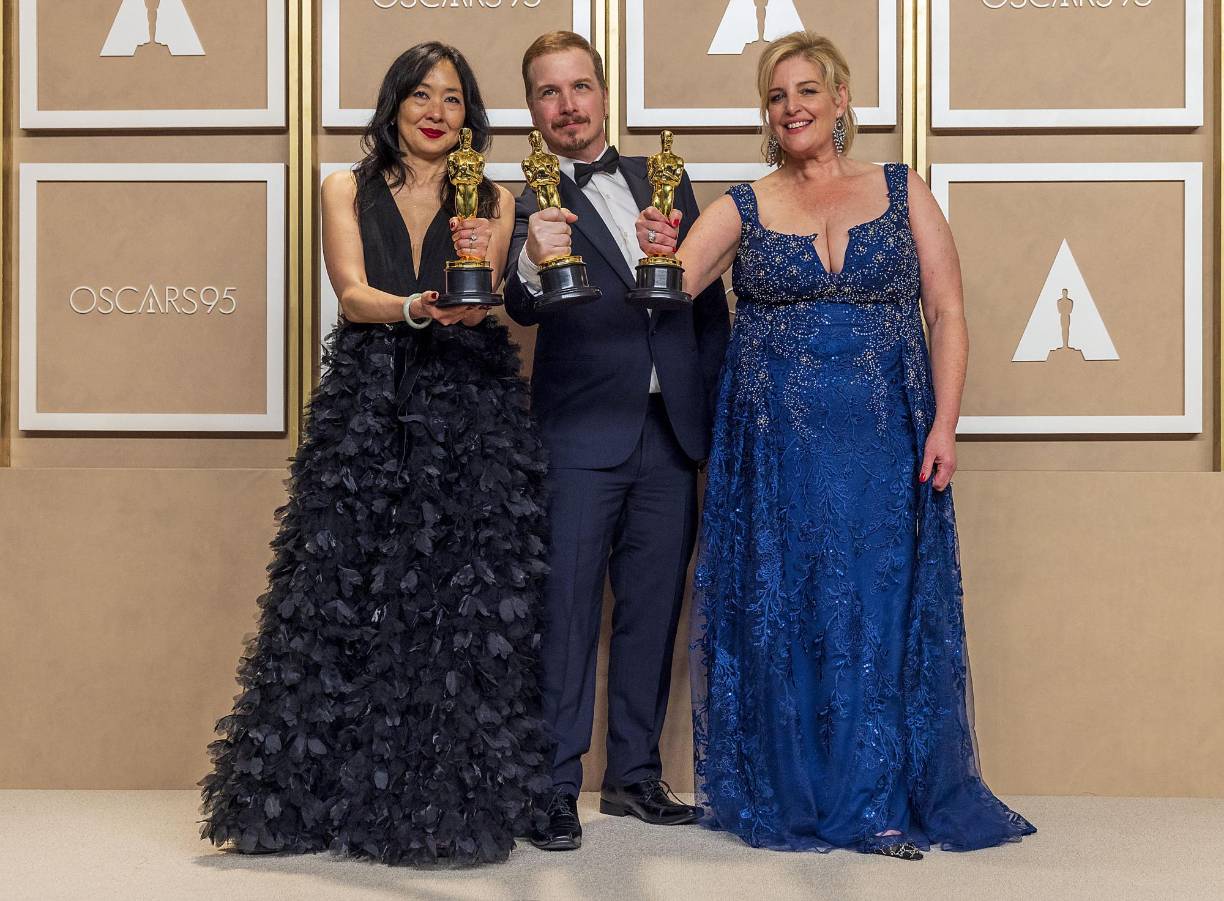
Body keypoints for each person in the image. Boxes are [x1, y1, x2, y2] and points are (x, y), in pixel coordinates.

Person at [636, 31, 1035, 860]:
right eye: (777, 97)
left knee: (879, 613)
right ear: (767, 113)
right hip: (777, 450)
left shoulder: (901, 188)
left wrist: (945, 423)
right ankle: (811, 794)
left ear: (841, 99)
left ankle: (879, 798)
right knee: (796, 613)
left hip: (888, 442)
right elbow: (671, 282)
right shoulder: (744, 203)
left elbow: (948, 310)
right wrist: (654, 245)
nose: (793, 108)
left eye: (807, 91)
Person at [199, 42, 553, 866]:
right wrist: (419, 308)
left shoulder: (497, 199)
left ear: (471, 116)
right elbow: (353, 295)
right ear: (393, 104)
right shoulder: (343, 187)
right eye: (421, 94)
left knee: (451, 601)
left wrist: (462, 306)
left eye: (454, 99)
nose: (436, 110)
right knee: (333, 589)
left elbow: (489, 294)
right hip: (368, 399)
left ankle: (429, 802)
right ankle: (301, 801)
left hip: (466, 404)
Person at [503, 31, 731, 851]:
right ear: (532, 110)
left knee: (651, 610)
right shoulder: (520, 196)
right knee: (565, 615)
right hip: (578, 434)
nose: (568, 105)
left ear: (604, 94)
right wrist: (533, 259)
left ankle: (634, 777)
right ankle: (554, 786)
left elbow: (706, 307)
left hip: (671, 435)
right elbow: (522, 304)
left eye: (579, 87)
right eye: (548, 93)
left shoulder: (662, 179)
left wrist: (712, 416)